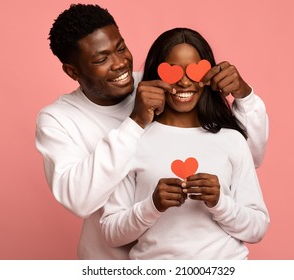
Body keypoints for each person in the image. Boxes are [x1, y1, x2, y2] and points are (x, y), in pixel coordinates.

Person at [35, 4, 269, 259]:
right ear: (73, 71)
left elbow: (248, 154)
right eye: (102, 59)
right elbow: (80, 200)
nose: (120, 64)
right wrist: (135, 121)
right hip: (111, 260)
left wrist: (244, 95)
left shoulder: (160, 82)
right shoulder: (57, 119)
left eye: (121, 48)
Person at [100, 27, 269, 259]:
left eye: (195, 72)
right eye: (172, 73)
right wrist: (152, 206)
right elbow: (111, 233)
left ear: (208, 77)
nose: (184, 82)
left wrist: (220, 203)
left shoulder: (231, 139)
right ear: (155, 75)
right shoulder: (132, 138)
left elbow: (257, 228)